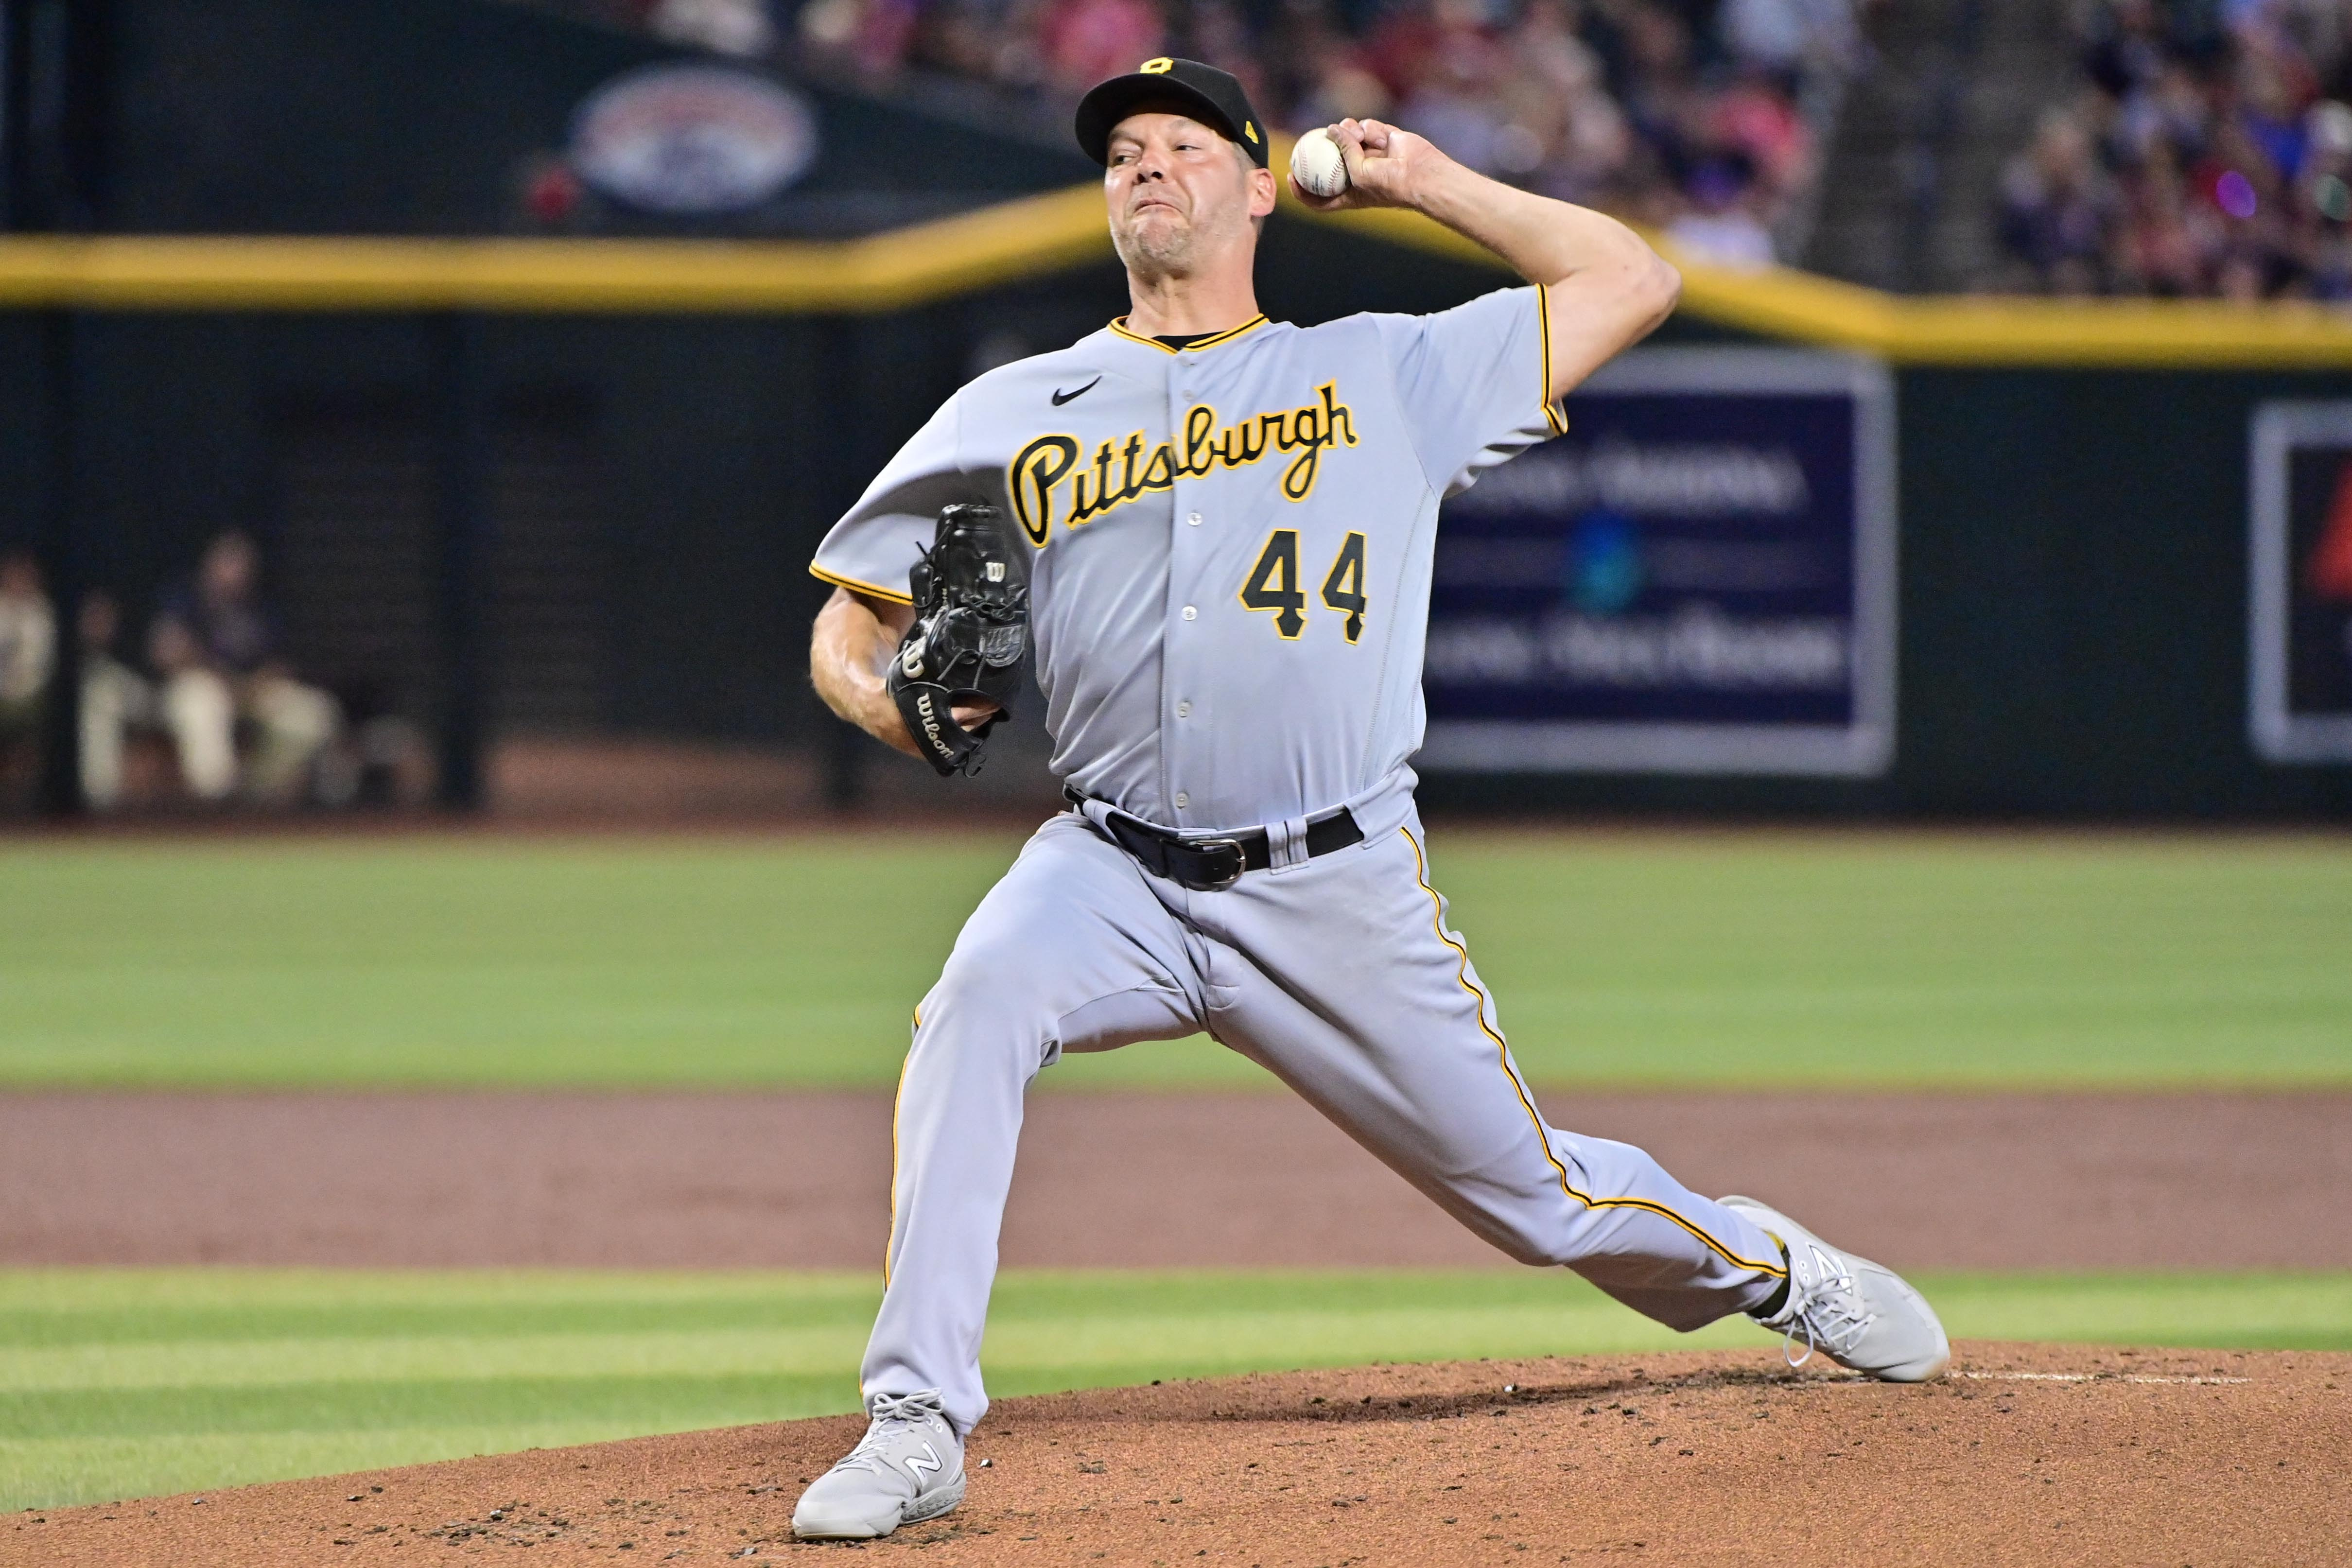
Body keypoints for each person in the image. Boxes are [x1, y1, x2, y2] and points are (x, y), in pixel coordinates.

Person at [794, 57, 1949, 1542]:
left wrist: (1429, 184)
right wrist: (879, 696)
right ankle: (914, 1419)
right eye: (1124, 151)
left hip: (1328, 882)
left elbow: (1635, 279)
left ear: (1259, 188)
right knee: (971, 1002)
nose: (1148, 165)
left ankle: (1770, 1268)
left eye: (1187, 146)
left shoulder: (1380, 372)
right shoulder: (1015, 408)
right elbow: (847, 614)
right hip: (1110, 869)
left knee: (1535, 1200)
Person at [149, 531, 339, 804]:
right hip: (204, 687)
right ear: (209, 566)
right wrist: (215, 674)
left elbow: (281, 665)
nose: (234, 572)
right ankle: (216, 801)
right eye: (226, 563)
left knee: (312, 714)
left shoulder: (262, 607)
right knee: (199, 702)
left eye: (240, 565)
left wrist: (253, 685)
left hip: (251, 692)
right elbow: (165, 653)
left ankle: (258, 796)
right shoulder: (185, 601)